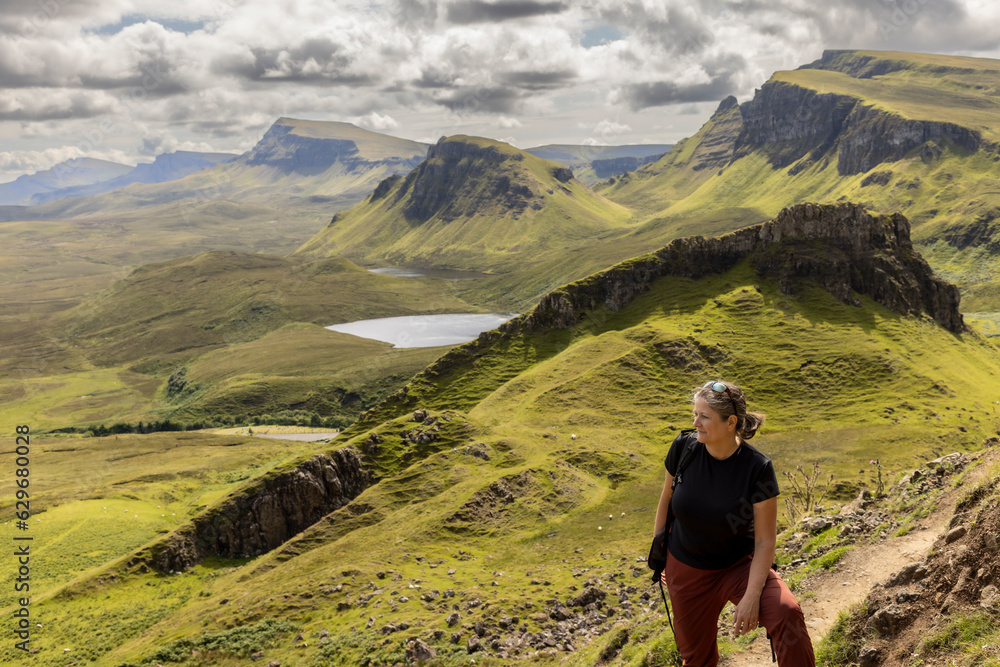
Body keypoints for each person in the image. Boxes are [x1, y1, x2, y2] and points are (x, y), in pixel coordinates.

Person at [653, 380, 815, 666]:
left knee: (786, 613)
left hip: (738, 566)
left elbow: (765, 540)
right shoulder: (683, 449)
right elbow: (666, 500)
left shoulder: (757, 468)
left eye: (704, 416)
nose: (696, 422)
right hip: (686, 571)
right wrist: (661, 553)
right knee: (697, 659)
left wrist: (752, 597)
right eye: (695, 414)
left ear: (730, 423)